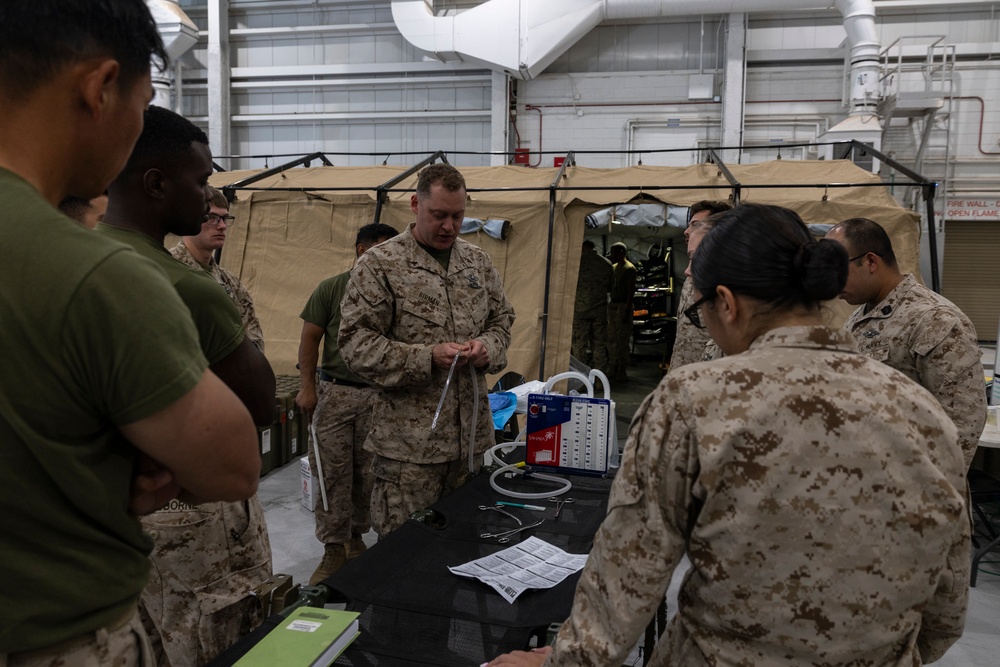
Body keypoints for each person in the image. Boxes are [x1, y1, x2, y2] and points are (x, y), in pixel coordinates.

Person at [487, 203, 969, 667]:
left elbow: (627, 582)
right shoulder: (924, 412)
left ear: (727, 303)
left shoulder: (693, 401)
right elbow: (945, 614)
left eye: (701, 314)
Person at [0, 2, 261, 665]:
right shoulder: (95, 277)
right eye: (142, 103)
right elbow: (233, 463)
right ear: (100, 88)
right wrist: (119, 456)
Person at [100, 105, 277, 667]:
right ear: (155, 184)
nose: (208, 201)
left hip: (117, 518)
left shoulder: (73, 263)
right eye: (200, 183)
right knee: (225, 642)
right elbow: (261, 406)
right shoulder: (190, 288)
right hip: (199, 517)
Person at [339, 163, 515, 537]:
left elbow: (502, 320)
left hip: (471, 444)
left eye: (458, 215)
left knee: (464, 547)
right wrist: (426, 357)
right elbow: (355, 345)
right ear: (415, 205)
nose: (449, 226)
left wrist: (488, 348)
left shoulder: (476, 262)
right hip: (409, 454)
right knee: (405, 557)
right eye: (439, 215)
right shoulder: (380, 265)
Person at [826, 217, 986, 471]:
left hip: (911, 488)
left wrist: (930, 493)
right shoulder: (860, 317)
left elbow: (963, 422)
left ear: (870, 262)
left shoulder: (935, 319)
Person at [296, 222, 398, 584]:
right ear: (361, 249)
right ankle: (332, 548)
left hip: (378, 395)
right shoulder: (332, 288)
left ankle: (356, 538)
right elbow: (309, 340)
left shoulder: (396, 290)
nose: (390, 256)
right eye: (383, 248)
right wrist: (307, 387)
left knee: (369, 474)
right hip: (336, 393)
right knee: (331, 472)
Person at [171, 185, 265, 351]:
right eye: (212, 217)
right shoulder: (166, 270)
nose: (222, 226)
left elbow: (253, 337)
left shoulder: (231, 282)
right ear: (189, 217)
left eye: (225, 219)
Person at [669, 200, 731, 371]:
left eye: (695, 225)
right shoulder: (691, 275)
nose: (686, 231)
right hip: (681, 368)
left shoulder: (730, 279)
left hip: (707, 375)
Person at [571, 239, 615, 371]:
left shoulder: (577, 263)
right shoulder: (606, 264)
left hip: (580, 311)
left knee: (580, 345)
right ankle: (600, 380)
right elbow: (611, 287)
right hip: (599, 311)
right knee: (599, 345)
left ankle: (580, 379)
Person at [606, 241, 636, 382]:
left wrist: (627, 310)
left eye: (615, 252)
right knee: (612, 338)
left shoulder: (629, 268)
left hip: (624, 305)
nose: (612, 255)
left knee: (622, 339)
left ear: (622, 252)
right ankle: (613, 367)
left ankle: (622, 369)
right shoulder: (613, 267)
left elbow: (631, 291)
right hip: (614, 305)